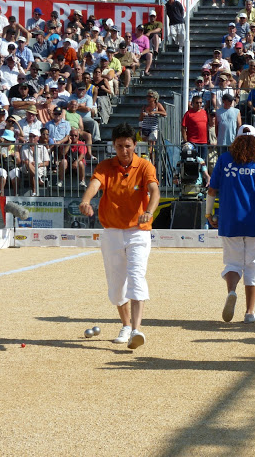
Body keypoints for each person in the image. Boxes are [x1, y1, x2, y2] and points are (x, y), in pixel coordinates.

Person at [79, 123, 160, 349]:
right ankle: (125, 325)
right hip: (112, 232)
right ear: (113, 146)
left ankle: (136, 329)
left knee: (136, 277)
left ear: (135, 144)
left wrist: (149, 212)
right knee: (116, 287)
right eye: (119, 146)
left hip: (138, 232)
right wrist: (86, 201)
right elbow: (94, 184)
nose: (124, 150)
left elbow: (154, 191)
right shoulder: (106, 166)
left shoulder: (145, 166)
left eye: (127, 145)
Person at [207, 124, 255, 324]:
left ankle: (231, 291)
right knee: (253, 266)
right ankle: (249, 312)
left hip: (229, 220)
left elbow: (212, 190)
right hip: (254, 221)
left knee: (232, 263)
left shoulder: (224, 159)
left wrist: (208, 213)